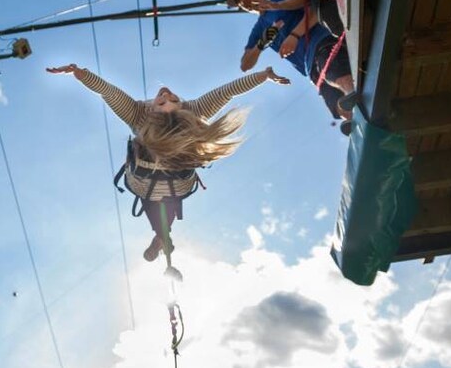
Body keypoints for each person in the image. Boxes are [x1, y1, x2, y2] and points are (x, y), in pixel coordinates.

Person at [46, 63, 289, 262]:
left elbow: (109, 92)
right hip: (167, 182)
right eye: (170, 99)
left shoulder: (138, 114)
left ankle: (162, 234)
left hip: (155, 180)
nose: (165, 95)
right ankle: (163, 235)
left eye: (164, 101)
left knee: (155, 200)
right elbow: (226, 92)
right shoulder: (193, 110)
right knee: (164, 202)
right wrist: (263, 76)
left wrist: (81, 74)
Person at [226, 0, 355, 133]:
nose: (243, 2)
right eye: (239, 2)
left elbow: (313, 3)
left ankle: (356, 98)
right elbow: (245, 65)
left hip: (322, 41)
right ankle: (358, 121)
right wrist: (261, 43)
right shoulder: (259, 28)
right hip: (311, 68)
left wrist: (294, 34)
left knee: (336, 74)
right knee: (336, 104)